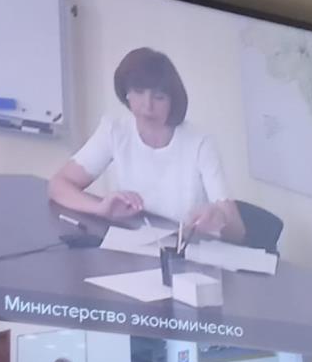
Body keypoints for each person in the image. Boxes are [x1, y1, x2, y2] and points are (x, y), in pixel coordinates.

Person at [49, 47, 246, 242]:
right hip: (134, 248)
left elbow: (238, 231)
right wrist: (100, 208)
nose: (147, 106)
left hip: (185, 251)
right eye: (138, 92)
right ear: (126, 93)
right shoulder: (115, 131)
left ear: (172, 101)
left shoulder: (200, 143)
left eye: (159, 97)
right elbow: (58, 185)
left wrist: (219, 220)